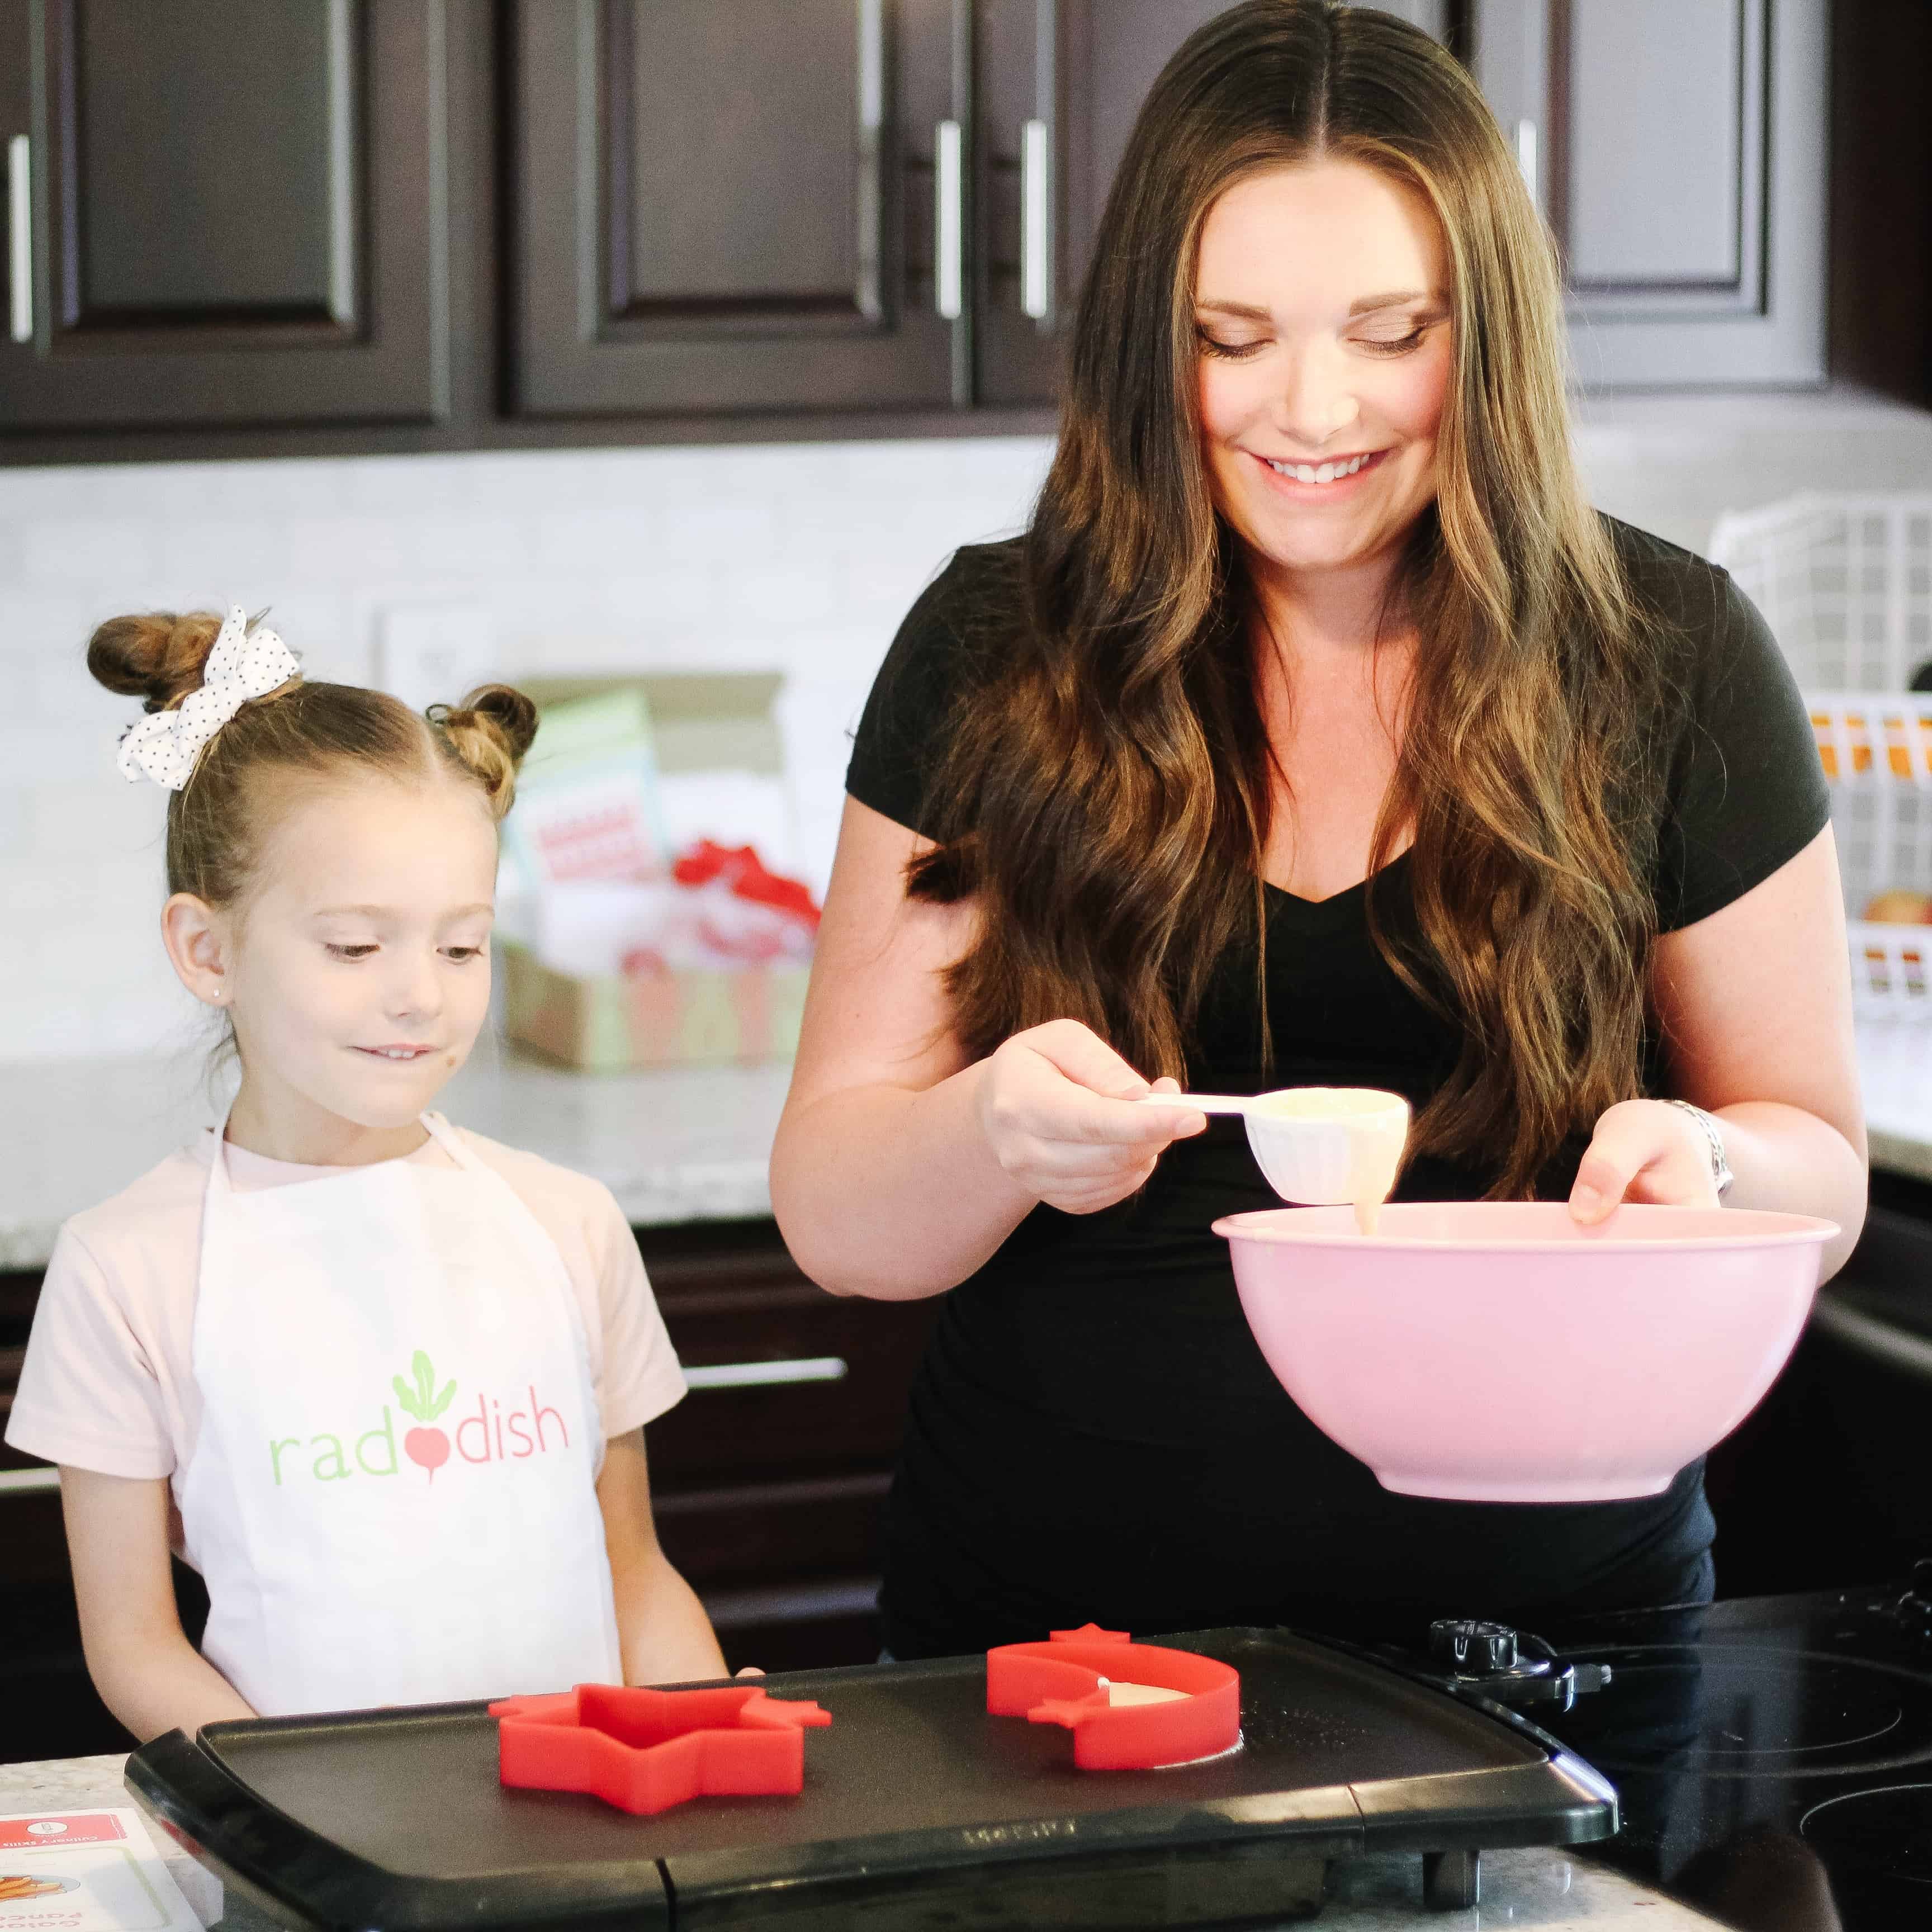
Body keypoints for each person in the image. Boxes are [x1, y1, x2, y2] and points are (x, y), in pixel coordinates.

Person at [770, 0, 1867, 1661]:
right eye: (1234, 334)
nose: (1311, 404)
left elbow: (1818, 1162)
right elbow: (838, 1216)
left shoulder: (1673, 651)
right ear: (1156, 342)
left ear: (1481, 331)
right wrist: (992, 1132)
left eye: (1388, 328)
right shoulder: (997, 649)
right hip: (1059, 1666)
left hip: (1562, 1662)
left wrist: (1713, 1162)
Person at [6, 607, 728, 1738]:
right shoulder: (125, 1269)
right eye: (355, 946)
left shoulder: (568, 1225)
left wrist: (704, 1750)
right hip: (312, 1863)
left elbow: (636, 1577)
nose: (422, 996)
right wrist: (315, 1828)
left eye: (461, 944)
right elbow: (136, 1648)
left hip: (588, 1850)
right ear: (208, 950)